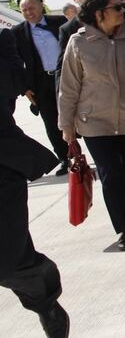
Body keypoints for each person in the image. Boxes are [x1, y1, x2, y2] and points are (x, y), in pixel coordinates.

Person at [58, 0, 125, 251]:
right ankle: (123, 230)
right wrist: (66, 126)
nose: (123, 11)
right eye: (117, 7)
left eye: (124, 6)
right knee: (110, 176)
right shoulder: (79, 42)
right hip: (95, 122)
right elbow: (69, 87)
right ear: (99, 13)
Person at [1, 26, 70, 338]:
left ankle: (44, 301)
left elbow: (13, 84)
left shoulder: (3, 40)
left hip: (2, 164)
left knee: (9, 258)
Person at [14, 0, 70, 175]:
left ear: (41, 6)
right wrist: (24, 88)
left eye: (32, 8)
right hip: (41, 84)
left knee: (79, 115)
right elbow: (15, 63)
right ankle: (64, 158)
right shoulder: (17, 33)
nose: (29, 13)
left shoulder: (61, 22)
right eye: (24, 10)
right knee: (51, 123)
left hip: (67, 78)